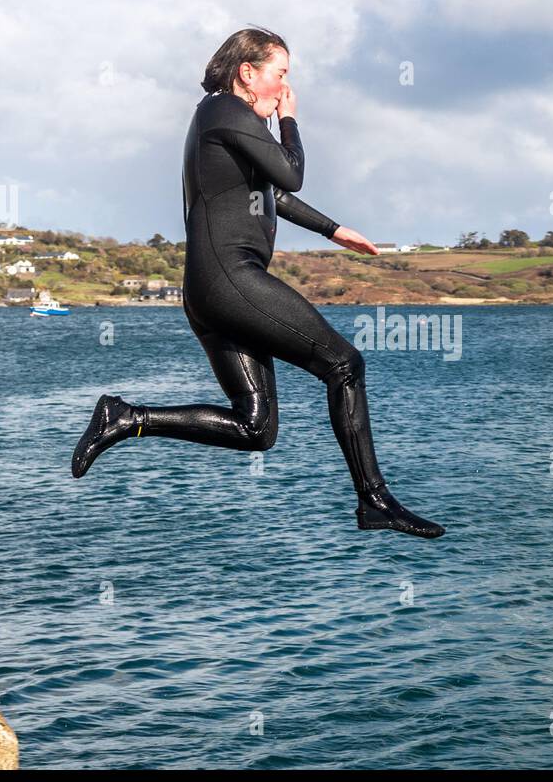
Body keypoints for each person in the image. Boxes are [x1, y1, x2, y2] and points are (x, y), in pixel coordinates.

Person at [72, 27, 445, 539]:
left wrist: (334, 231)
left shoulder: (221, 119)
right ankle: (375, 501)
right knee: (344, 363)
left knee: (254, 428)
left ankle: (125, 417)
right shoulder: (226, 110)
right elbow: (291, 173)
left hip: (211, 290)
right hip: (231, 280)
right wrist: (289, 120)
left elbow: (274, 194)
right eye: (280, 74)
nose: (285, 86)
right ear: (247, 72)